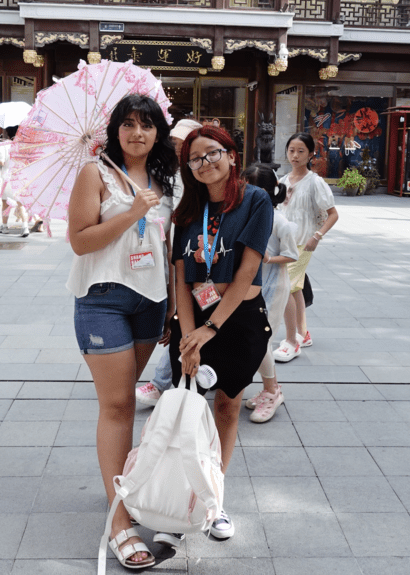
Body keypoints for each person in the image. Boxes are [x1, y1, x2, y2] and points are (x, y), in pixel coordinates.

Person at [67, 95, 177, 570]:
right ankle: (119, 522)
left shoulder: (166, 180)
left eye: (147, 125)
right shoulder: (96, 172)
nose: (138, 133)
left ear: (158, 133)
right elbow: (80, 240)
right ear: (116, 130)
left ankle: (125, 488)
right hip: (103, 299)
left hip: (150, 302)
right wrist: (130, 212)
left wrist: (174, 306)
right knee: (116, 406)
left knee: (131, 400)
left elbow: (168, 246)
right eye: (129, 124)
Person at [171, 124, 273, 542]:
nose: (206, 162)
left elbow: (248, 269)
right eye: (196, 158)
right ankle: (180, 494)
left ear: (232, 155)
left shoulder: (255, 200)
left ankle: (214, 498)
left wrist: (211, 330)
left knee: (228, 406)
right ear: (189, 168)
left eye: (213, 153)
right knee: (188, 411)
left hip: (238, 320)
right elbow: (179, 276)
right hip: (195, 320)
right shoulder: (188, 212)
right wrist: (189, 335)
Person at [135, 118, 202, 409]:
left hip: (199, 258)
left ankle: (165, 382)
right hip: (169, 258)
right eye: (173, 142)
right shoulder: (163, 174)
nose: (176, 148)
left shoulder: (199, 174)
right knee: (188, 320)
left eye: (182, 143)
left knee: (193, 320)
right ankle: (170, 381)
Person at [273, 133, 339, 362]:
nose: (295, 155)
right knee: (295, 287)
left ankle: (292, 341)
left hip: (302, 243)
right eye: (291, 150)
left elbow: (333, 214)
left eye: (301, 151)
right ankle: (303, 333)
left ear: (311, 154)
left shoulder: (315, 182)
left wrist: (317, 236)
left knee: (286, 286)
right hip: (283, 243)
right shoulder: (281, 181)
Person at [241, 163, 297, 423]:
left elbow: (291, 255)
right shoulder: (245, 214)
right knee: (255, 337)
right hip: (251, 287)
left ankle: (272, 391)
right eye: (243, 186)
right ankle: (268, 388)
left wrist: (268, 259)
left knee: (262, 339)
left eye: (252, 188)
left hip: (274, 287)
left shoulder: (280, 222)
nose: (246, 192)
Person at [0, 125, 29, 237]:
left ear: (7, 132)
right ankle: (25, 227)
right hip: (20, 177)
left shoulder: (4, 145)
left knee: (5, 203)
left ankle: (4, 227)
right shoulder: (23, 145)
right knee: (21, 203)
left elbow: (1, 162)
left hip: (7, 178)